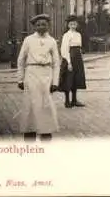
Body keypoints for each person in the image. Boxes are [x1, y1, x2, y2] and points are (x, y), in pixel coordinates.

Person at [16, 14, 60, 142]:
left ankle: (46, 132)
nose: (41, 26)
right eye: (38, 24)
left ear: (48, 26)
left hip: (46, 74)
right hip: (31, 74)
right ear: (34, 26)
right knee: (31, 104)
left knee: (46, 105)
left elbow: (57, 63)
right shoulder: (28, 40)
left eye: (44, 24)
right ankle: (30, 132)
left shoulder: (52, 41)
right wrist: (20, 79)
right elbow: (21, 60)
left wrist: (55, 82)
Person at [59, 15, 86, 108]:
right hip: (70, 57)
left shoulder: (79, 34)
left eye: (74, 23)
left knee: (76, 79)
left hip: (78, 58)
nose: (73, 25)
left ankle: (74, 100)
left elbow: (80, 47)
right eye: (71, 24)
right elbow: (64, 49)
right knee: (68, 79)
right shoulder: (66, 35)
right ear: (68, 25)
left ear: (77, 24)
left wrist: (81, 56)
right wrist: (69, 62)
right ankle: (67, 101)